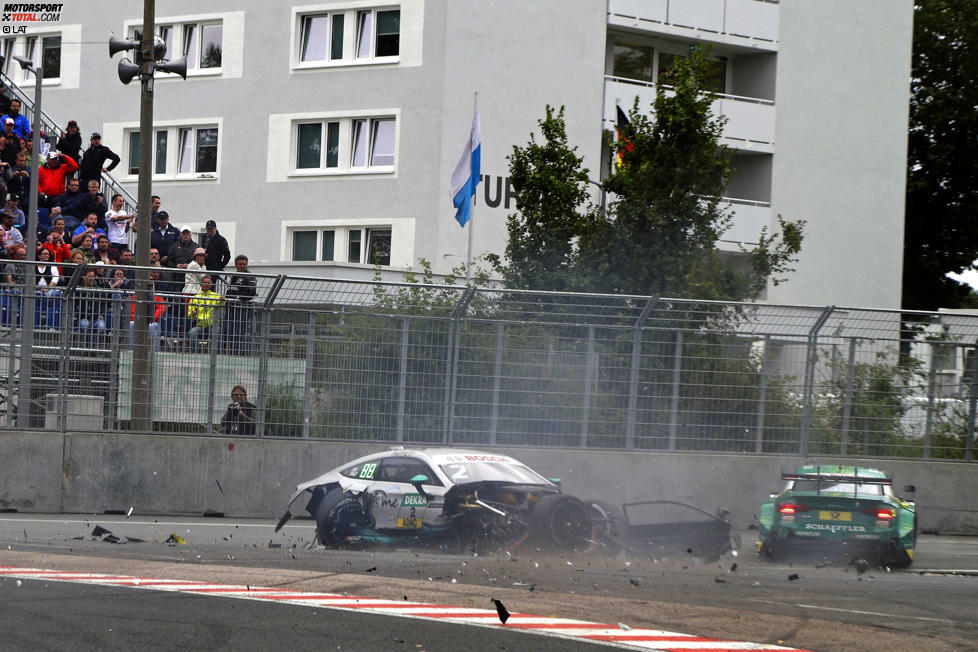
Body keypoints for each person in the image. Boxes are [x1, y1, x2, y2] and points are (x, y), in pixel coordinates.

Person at [223, 254, 256, 355]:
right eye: (240, 264)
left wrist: (238, 298)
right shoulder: (234, 276)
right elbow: (231, 290)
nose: (242, 266)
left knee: (238, 333)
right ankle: (225, 353)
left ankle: (237, 355)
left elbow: (251, 292)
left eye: (244, 264)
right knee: (226, 332)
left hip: (242, 309)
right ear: (236, 265)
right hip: (230, 308)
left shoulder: (249, 276)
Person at [73, 268, 109, 345]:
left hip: (96, 318)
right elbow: (75, 303)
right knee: (84, 325)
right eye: (89, 276)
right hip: (83, 317)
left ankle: (94, 347)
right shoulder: (78, 289)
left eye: (92, 276)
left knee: (101, 327)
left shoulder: (99, 289)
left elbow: (104, 303)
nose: (91, 278)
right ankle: (87, 346)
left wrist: (102, 314)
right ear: (84, 277)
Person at [187, 275, 222, 352]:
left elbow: (222, 305)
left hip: (213, 325)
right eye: (205, 282)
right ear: (201, 284)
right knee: (192, 332)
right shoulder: (195, 298)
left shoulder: (216, 296)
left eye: (208, 283)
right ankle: (195, 354)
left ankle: (217, 355)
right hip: (200, 325)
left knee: (216, 332)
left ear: (211, 285)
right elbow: (189, 314)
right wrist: (192, 314)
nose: (206, 284)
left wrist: (223, 300)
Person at [34, 246, 62, 328]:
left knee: (54, 295)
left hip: (49, 289)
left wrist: (47, 288)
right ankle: (37, 324)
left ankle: (52, 325)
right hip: (36, 289)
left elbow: (55, 279)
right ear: (39, 255)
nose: (47, 255)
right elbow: (32, 279)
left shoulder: (52, 266)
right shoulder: (34, 266)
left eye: (48, 254)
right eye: (45, 254)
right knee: (38, 295)